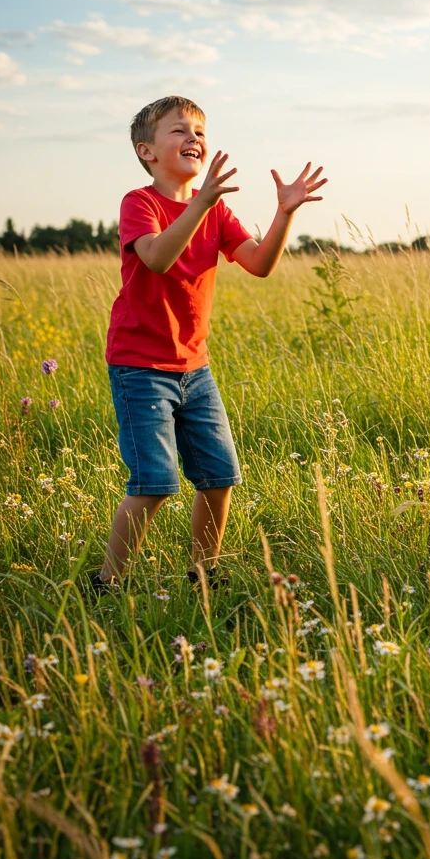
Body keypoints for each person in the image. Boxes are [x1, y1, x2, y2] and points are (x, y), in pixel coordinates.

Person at [90, 95, 326, 592]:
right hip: (140, 367)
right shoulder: (141, 203)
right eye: (178, 130)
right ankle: (107, 583)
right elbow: (156, 257)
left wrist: (284, 213)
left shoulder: (216, 212)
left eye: (199, 129)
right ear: (147, 151)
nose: (193, 137)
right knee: (154, 483)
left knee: (219, 478)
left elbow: (260, 263)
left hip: (194, 369)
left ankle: (203, 575)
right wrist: (200, 203)